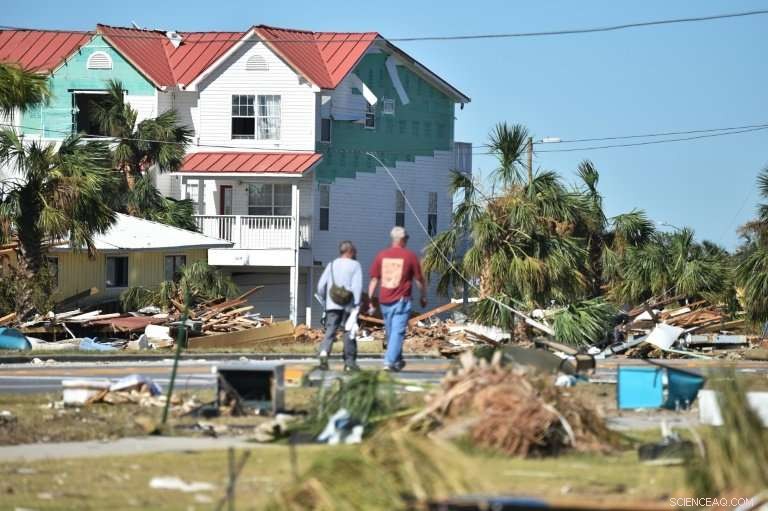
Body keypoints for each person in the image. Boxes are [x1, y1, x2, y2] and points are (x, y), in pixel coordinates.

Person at [368, 226, 427, 371]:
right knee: (396, 332)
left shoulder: (382, 256)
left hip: (384, 301)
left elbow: (374, 280)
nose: (407, 241)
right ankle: (389, 361)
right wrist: (423, 296)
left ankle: (397, 360)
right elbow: (419, 280)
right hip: (401, 300)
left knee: (392, 332)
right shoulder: (410, 256)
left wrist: (370, 300)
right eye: (406, 238)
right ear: (402, 239)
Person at [316, 240, 363, 372]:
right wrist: (357, 304)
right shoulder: (355, 265)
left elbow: (320, 286)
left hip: (332, 304)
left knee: (330, 331)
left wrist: (326, 300)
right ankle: (349, 364)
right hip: (348, 305)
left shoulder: (331, 265)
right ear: (350, 251)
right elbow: (357, 287)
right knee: (348, 332)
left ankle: (324, 354)